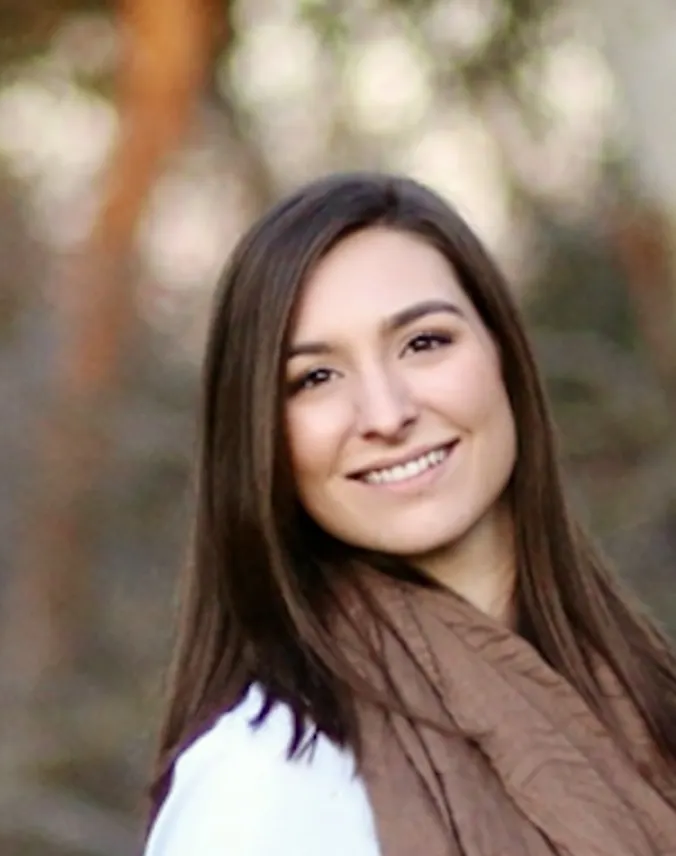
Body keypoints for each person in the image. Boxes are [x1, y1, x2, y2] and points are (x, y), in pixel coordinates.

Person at [142, 171, 676, 856]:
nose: (388, 414)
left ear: (504, 355)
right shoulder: (268, 786)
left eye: (423, 342)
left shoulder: (643, 702)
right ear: (261, 437)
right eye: (315, 378)